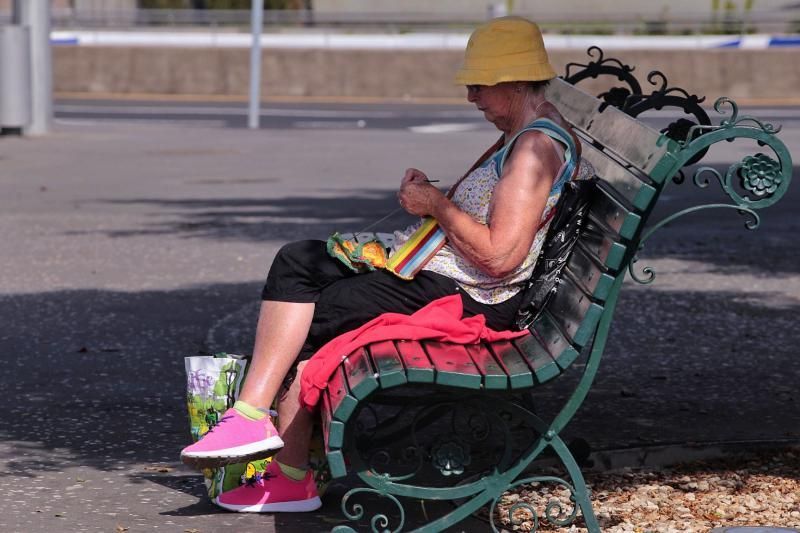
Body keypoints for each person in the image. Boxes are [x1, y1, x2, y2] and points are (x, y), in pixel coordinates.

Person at [180, 16, 583, 513]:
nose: (471, 97)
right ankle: (254, 418)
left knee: (320, 313)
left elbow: (501, 257)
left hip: (475, 296)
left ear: (515, 81)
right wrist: (439, 199)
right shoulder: (524, 132)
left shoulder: (534, 148)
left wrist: (436, 203)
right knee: (297, 261)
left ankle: (288, 472)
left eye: (479, 85)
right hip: (452, 273)